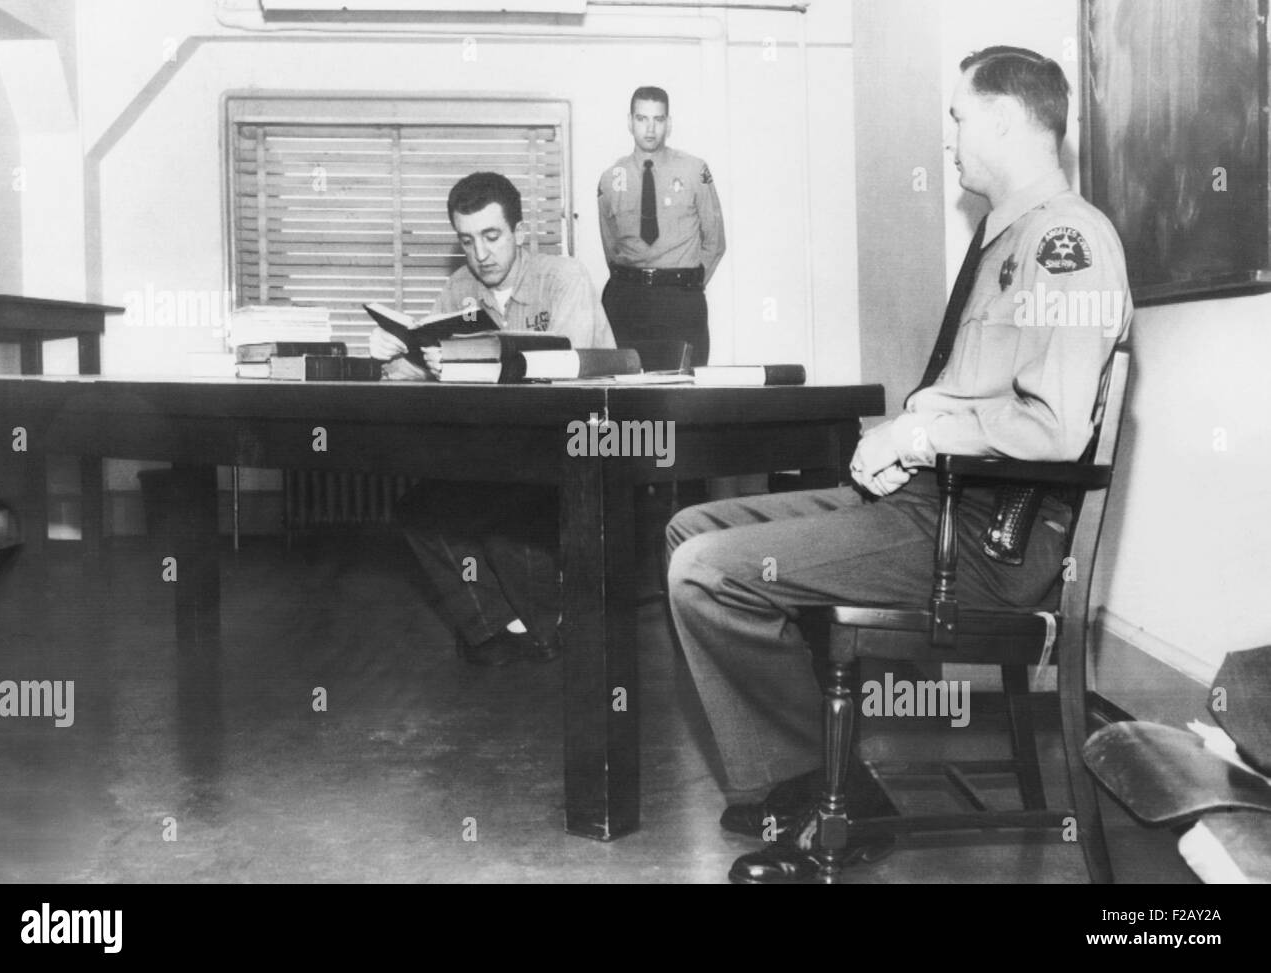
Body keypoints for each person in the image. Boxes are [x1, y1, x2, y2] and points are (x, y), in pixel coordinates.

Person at [665, 46, 1132, 883]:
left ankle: (832, 789)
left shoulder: (1066, 242)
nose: (949, 135)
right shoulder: (1006, 238)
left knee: (706, 571)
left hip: (985, 543)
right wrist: (913, 425)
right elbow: (980, 395)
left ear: (1000, 117)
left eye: (958, 116)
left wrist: (919, 438)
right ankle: (807, 768)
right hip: (932, 509)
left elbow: (1057, 428)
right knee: (689, 528)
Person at [369, 171, 616, 667]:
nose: (480, 254)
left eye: (492, 235)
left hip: (583, 448)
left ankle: (544, 629)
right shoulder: (459, 289)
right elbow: (428, 377)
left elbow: (562, 380)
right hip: (503, 454)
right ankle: (504, 627)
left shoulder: (565, 277)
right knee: (420, 512)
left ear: (519, 233)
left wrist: (470, 367)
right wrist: (397, 361)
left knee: (510, 517)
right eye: (467, 240)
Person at [597, 86, 725, 367]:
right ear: (630, 122)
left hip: (680, 301)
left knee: (683, 393)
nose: (650, 129)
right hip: (628, 302)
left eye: (658, 119)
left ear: (669, 123)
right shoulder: (610, 179)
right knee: (627, 391)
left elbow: (715, 241)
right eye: (642, 119)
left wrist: (689, 285)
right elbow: (611, 248)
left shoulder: (694, 171)